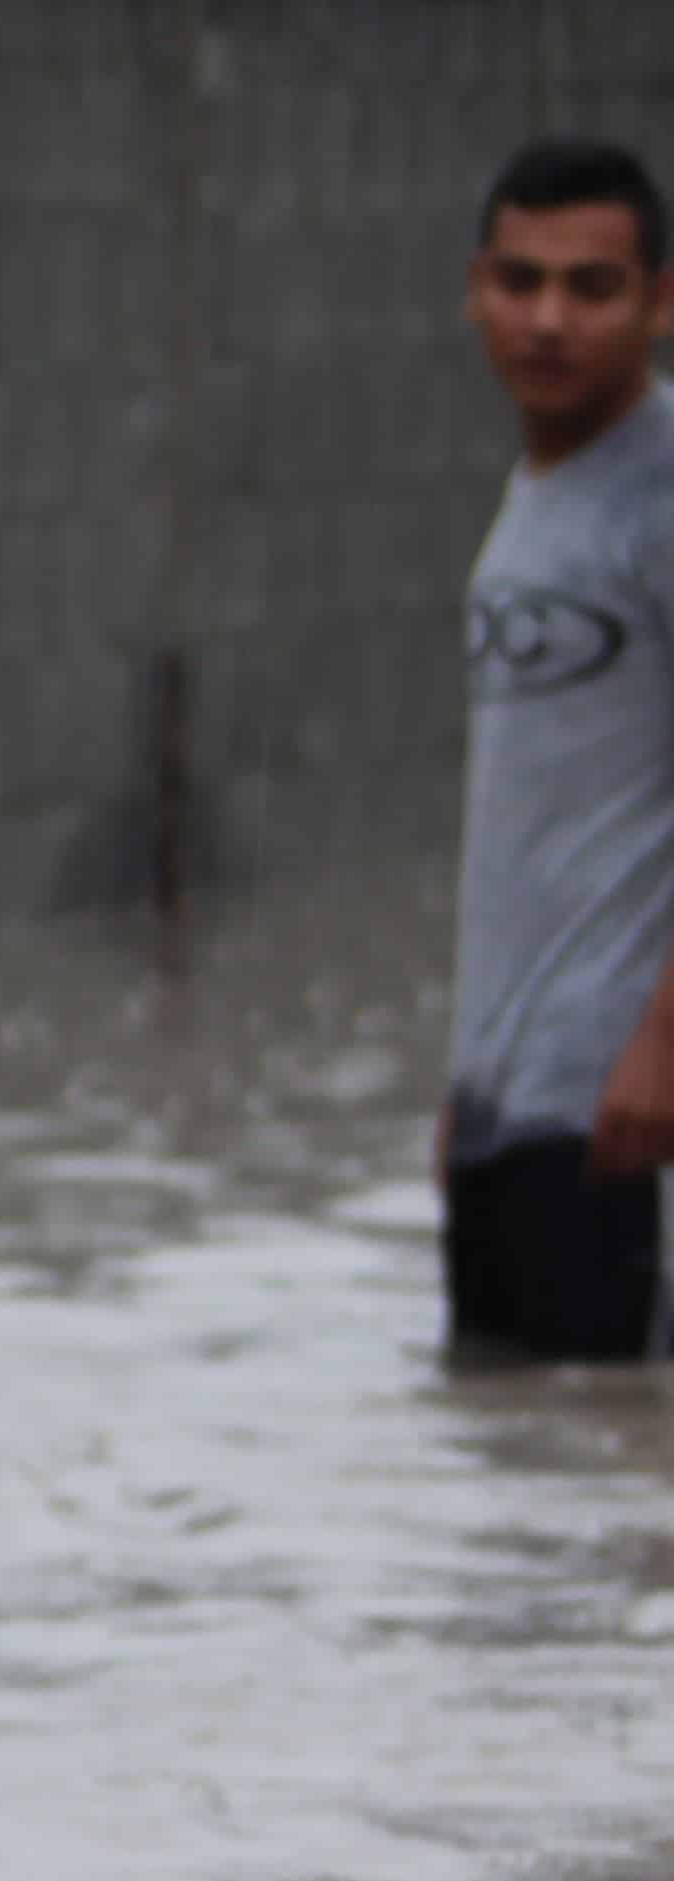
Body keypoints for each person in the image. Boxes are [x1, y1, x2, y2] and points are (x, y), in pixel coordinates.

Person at [443, 135, 674, 1358]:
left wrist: (664, 1044)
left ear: (662, 301)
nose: (547, 320)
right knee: (512, 1490)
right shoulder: (539, 492)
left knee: (610, 1511)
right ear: (476, 287)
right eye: (519, 281)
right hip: (508, 1108)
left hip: (622, 1117)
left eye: (591, 288)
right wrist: (466, 1082)